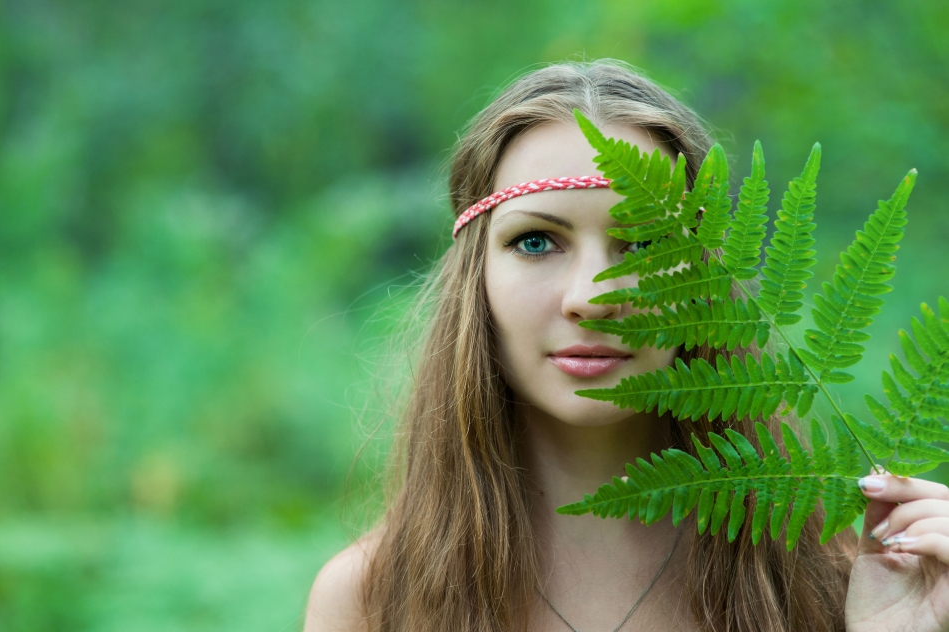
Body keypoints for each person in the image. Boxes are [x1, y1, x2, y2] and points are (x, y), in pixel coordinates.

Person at [304, 60, 949, 632]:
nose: (592, 296)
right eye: (536, 241)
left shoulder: (845, 573)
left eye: (645, 246)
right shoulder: (372, 600)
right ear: (476, 279)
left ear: (707, 282)